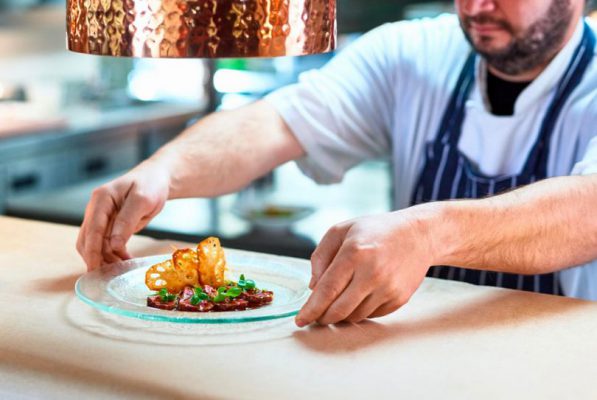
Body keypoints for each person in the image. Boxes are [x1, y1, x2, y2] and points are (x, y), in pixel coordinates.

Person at [77, 0, 597, 327]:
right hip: (411, 341)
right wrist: (166, 170)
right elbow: (277, 122)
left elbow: (587, 211)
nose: (477, 6)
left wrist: (428, 233)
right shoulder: (411, 51)